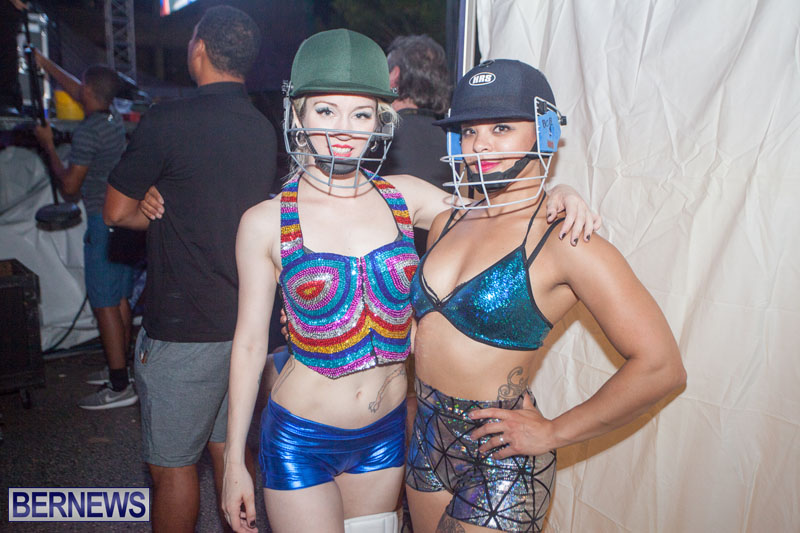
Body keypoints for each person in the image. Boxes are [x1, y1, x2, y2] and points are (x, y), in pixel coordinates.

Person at [221, 30, 598, 533]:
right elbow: (249, 345)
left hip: (386, 436)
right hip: (301, 438)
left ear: (381, 120)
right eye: (326, 111)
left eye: (361, 114)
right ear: (298, 116)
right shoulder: (265, 222)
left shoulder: (405, 197)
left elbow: (502, 216)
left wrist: (559, 191)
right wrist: (233, 462)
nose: (344, 130)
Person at [404, 59, 688, 532]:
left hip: (501, 464)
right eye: (469, 131)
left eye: (501, 128)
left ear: (545, 133)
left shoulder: (566, 242)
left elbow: (662, 367)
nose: (480, 145)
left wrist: (554, 432)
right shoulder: (445, 221)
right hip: (425, 444)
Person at [103, 6, 276, 532]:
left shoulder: (168, 120)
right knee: (230, 451)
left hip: (182, 330)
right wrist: (166, 197)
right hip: (245, 325)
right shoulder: (262, 129)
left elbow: (115, 212)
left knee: (172, 467)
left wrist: (152, 204)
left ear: (198, 48)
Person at [32, 55, 136, 410]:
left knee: (104, 303)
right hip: (123, 221)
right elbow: (83, 89)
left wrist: (48, 145)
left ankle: (119, 386)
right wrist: (45, 64)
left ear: (88, 92)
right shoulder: (113, 118)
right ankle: (122, 371)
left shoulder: (89, 130)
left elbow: (70, 187)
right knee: (119, 299)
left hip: (101, 222)